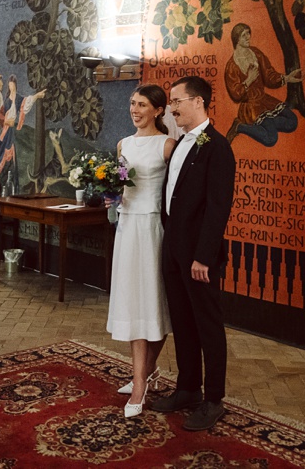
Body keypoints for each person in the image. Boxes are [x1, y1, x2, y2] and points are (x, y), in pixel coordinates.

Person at [148, 75, 235, 431]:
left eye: (177, 100)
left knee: (207, 326)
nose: (171, 107)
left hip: (199, 257)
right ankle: (187, 388)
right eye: (170, 102)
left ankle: (213, 399)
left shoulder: (218, 147)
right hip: (173, 250)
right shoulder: (180, 142)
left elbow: (218, 208)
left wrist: (203, 256)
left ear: (198, 102)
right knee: (182, 322)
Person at [106, 84, 176, 417]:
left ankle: (141, 381)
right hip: (127, 227)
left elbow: (178, 192)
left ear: (159, 110)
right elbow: (121, 183)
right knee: (134, 299)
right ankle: (141, 377)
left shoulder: (168, 146)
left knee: (154, 300)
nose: (135, 110)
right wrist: (111, 197)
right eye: (132, 103)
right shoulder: (123, 144)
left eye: (142, 105)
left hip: (152, 229)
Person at [223, 23, 301, 146]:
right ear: (236, 39)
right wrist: (249, 80)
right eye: (244, 35)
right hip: (251, 107)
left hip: (265, 100)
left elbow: (269, 76)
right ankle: (239, 126)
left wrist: (287, 78)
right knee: (271, 139)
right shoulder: (231, 66)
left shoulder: (255, 53)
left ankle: (268, 124)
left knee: (293, 121)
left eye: (249, 33)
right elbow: (235, 95)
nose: (248, 37)